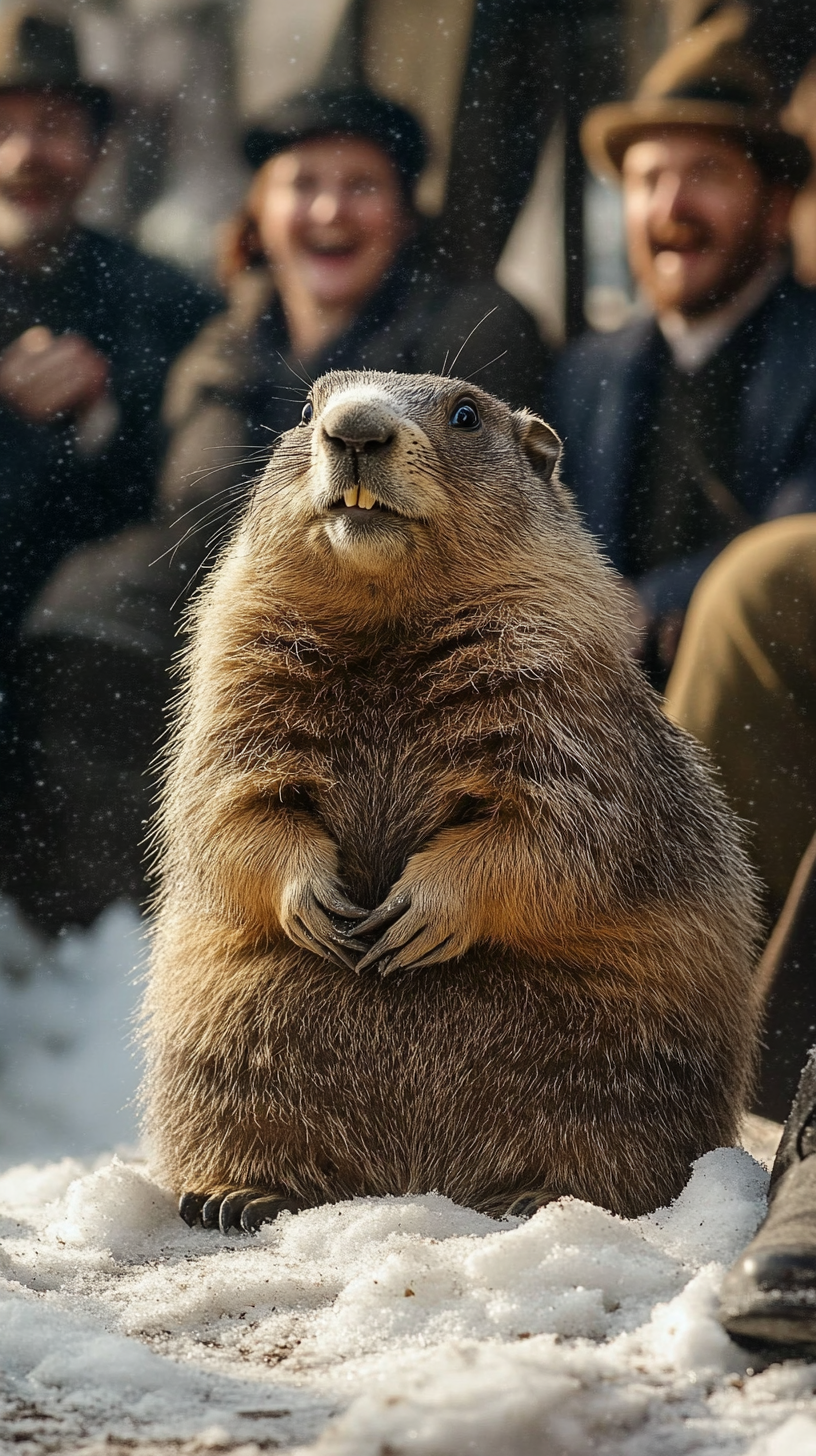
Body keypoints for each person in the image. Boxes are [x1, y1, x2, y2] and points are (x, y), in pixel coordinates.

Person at [8, 86, 550, 931]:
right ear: (260, 213)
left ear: (406, 215)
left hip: (401, 618)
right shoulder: (223, 338)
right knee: (85, 605)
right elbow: (169, 493)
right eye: (303, 184)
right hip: (224, 613)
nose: (329, 209)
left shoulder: (469, 326)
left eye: (361, 185)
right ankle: (109, 911)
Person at [549, 6, 814, 684]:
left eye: (706, 173)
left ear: (776, 207)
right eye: (647, 181)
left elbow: (789, 549)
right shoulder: (586, 373)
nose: (670, 208)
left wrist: (646, 606)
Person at [0, 6, 218, 741]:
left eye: (54, 127)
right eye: (2, 129)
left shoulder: (161, 297)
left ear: (96, 150)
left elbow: (181, 486)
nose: (24, 156)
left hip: (96, 675)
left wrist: (99, 418)